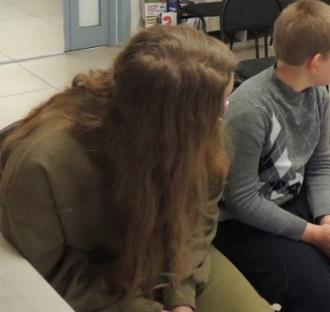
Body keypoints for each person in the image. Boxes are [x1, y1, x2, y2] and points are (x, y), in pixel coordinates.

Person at [0, 25, 268, 312]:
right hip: (94, 282)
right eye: (220, 104)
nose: (225, 111)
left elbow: (198, 218)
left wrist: (181, 297)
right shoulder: (43, 164)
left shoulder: (202, 133)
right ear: (173, 126)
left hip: (175, 258)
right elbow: (50, 272)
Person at [214, 0, 330, 312]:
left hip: (293, 194)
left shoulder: (317, 93)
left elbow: (319, 163)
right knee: (318, 294)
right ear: (315, 62)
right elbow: (241, 201)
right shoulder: (250, 110)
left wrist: (327, 218)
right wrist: (313, 234)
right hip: (244, 221)